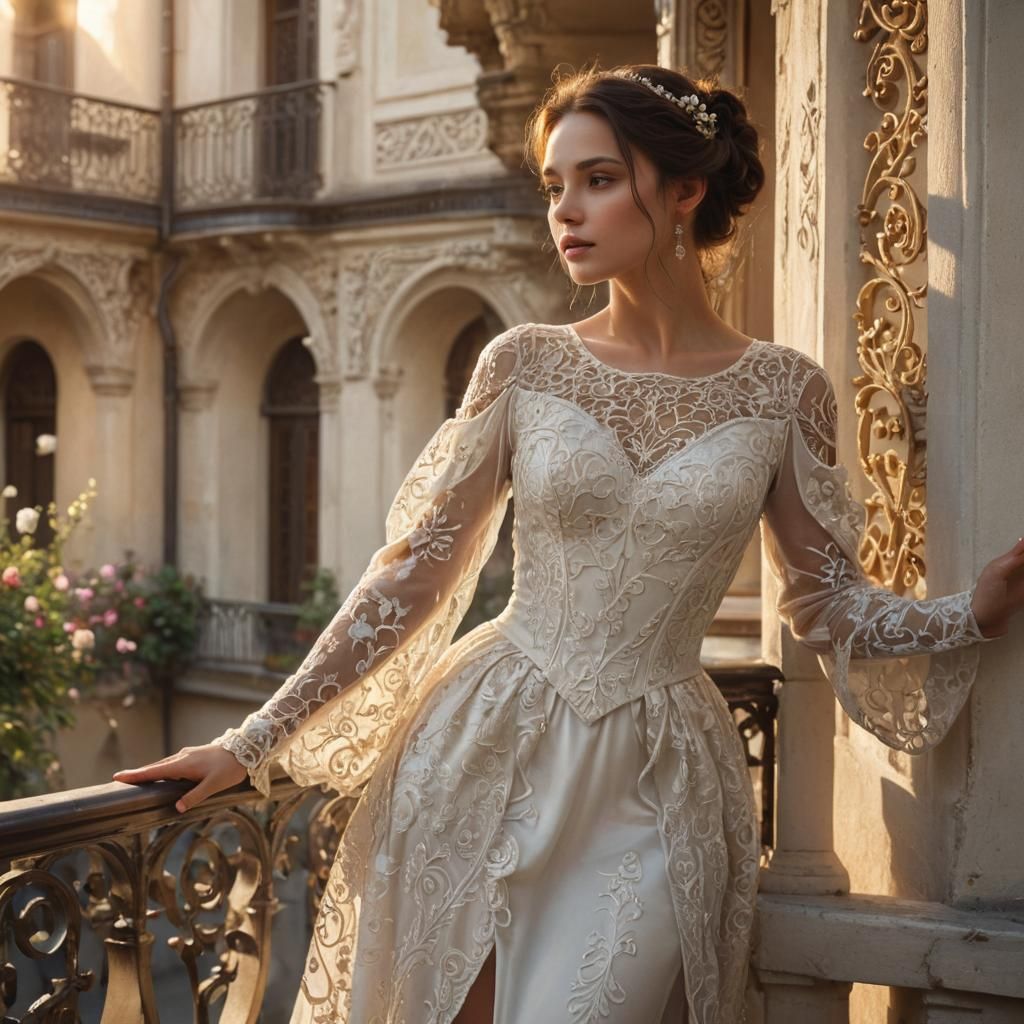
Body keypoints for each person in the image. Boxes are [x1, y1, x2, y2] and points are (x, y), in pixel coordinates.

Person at [113, 63, 1023, 1024]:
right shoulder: (524, 363)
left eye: (597, 179)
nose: (567, 211)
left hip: (657, 773)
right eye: (554, 187)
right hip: (483, 747)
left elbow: (824, 602)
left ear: (683, 192)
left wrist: (970, 612)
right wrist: (253, 741)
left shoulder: (783, 390)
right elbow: (416, 576)